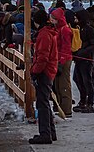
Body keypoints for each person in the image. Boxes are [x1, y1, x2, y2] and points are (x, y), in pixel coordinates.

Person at [29, 9, 58, 144]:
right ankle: (50, 132)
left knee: (42, 103)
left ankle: (45, 134)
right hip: (48, 70)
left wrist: (35, 71)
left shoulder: (44, 35)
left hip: (44, 72)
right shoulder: (47, 32)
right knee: (45, 102)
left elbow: (42, 57)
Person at [72, 9, 94, 113]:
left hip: (86, 59)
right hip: (79, 59)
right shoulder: (79, 28)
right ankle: (83, 100)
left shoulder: (89, 29)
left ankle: (90, 103)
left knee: (87, 81)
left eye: (76, 18)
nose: (75, 20)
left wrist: (82, 52)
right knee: (77, 79)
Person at [49, 8, 73, 117]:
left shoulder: (65, 30)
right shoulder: (58, 29)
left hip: (64, 60)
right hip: (58, 59)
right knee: (57, 85)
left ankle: (67, 109)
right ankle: (60, 108)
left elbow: (66, 47)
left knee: (64, 85)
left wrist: (61, 61)